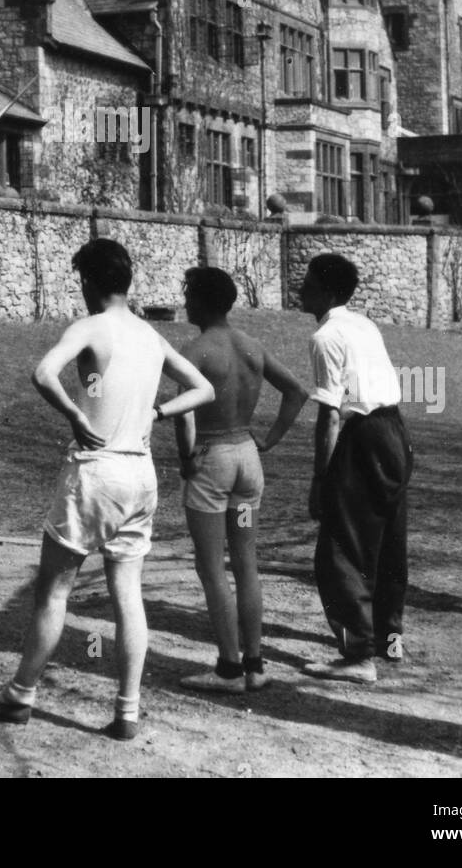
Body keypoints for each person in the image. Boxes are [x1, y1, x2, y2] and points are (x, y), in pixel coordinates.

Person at [0, 238, 214, 740]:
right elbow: (204, 388)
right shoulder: (150, 336)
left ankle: (19, 696)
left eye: (82, 279)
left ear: (92, 281)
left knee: (53, 591)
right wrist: (158, 413)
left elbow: (42, 373)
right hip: (140, 475)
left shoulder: (92, 326)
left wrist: (75, 415)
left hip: (96, 472)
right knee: (127, 595)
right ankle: (127, 711)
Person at [173, 266, 307, 693]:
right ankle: (256, 663)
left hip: (212, 461)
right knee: (246, 563)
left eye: (189, 294)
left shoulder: (195, 351)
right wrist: (271, 438)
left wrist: (185, 459)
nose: (186, 302)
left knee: (212, 567)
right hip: (248, 463)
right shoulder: (252, 346)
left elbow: (184, 412)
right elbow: (296, 391)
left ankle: (229, 669)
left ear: (202, 301)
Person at [299, 253, 413, 684]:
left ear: (327, 292)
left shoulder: (326, 336)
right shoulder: (364, 324)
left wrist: (319, 480)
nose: (301, 289)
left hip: (365, 435)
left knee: (341, 550)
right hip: (396, 432)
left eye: (308, 283)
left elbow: (329, 415)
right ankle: (390, 641)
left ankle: (359, 656)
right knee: (388, 541)